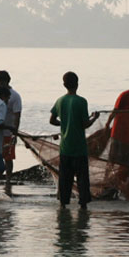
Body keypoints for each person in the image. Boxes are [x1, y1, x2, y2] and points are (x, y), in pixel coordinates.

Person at [49, 71, 99, 207]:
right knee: (82, 180)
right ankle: (83, 206)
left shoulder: (60, 101)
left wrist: (64, 123)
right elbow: (85, 124)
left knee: (65, 179)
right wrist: (94, 117)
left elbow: (52, 120)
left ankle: (63, 205)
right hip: (79, 149)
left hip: (65, 148)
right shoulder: (81, 101)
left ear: (64, 84)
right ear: (77, 84)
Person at [0, 70, 22, 195]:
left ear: (4, 82)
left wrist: (15, 133)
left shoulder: (15, 96)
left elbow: (17, 115)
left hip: (8, 133)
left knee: (8, 158)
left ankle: (8, 180)